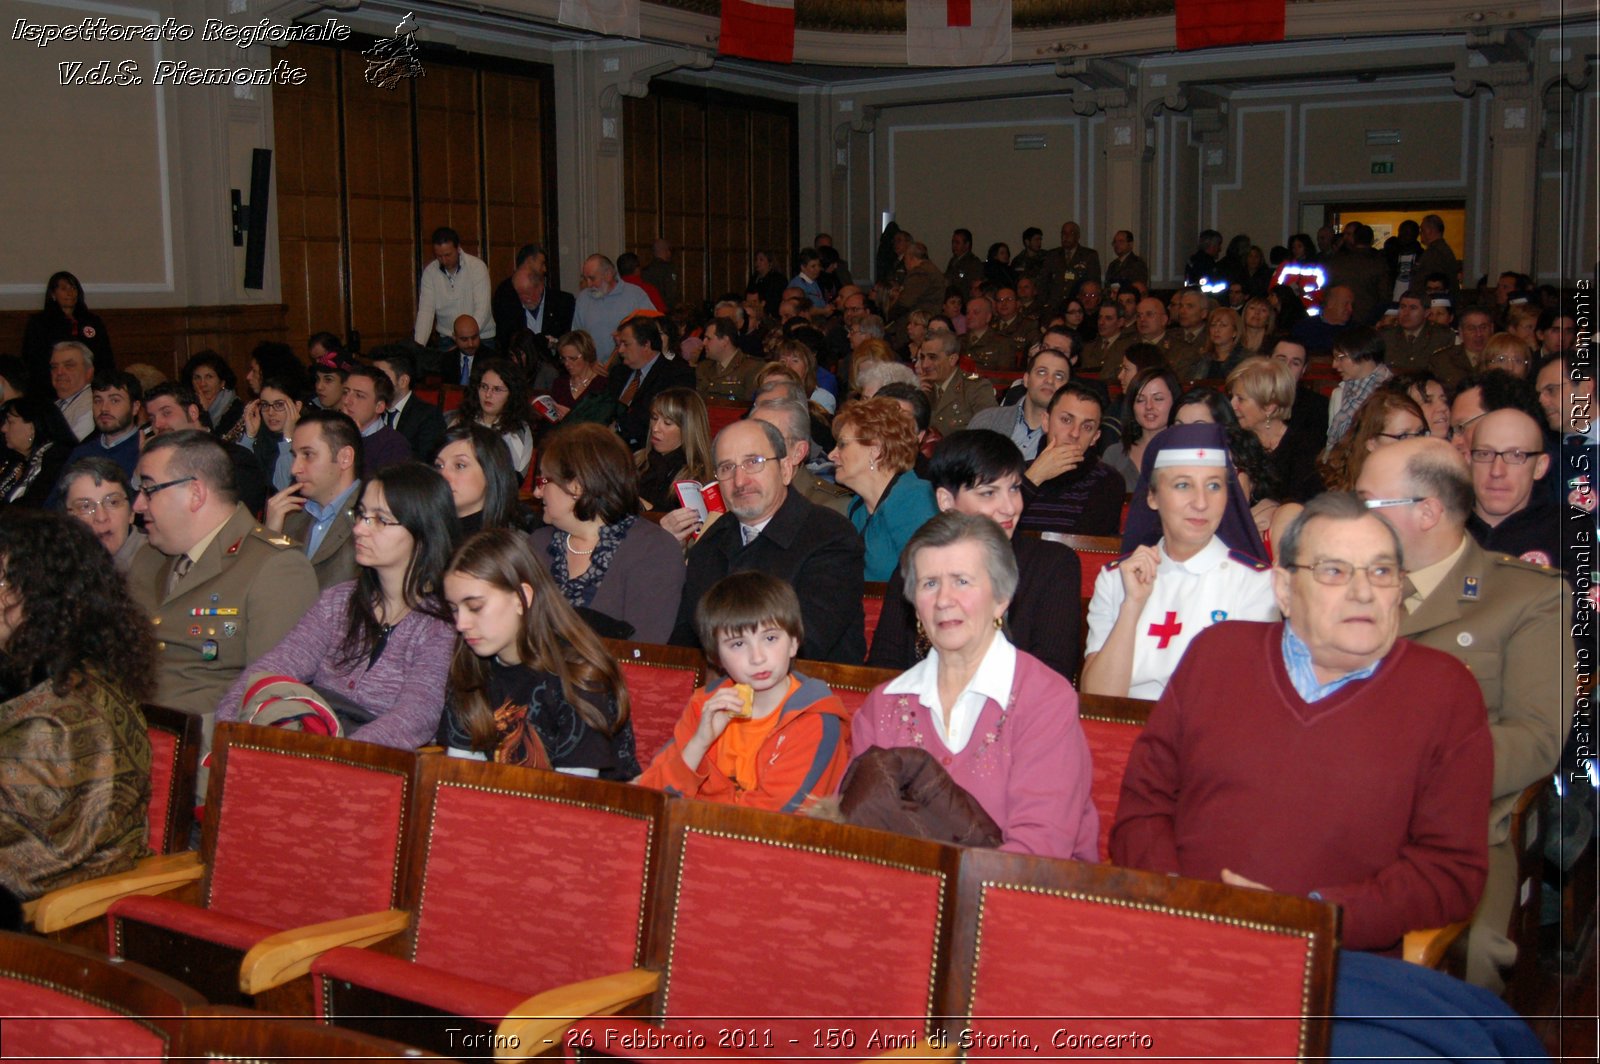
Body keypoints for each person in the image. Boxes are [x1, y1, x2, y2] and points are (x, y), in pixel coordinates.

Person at [1111, 493, 1492, 952]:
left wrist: (1306, 917)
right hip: (1180, 934)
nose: (1363, 591)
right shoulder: (1218, 654)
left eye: (1382, 571)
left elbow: (1449, 873)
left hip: (1335, 960)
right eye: (1334, 571)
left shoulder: (1443, 691)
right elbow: (1143, 805)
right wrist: (1181, 896)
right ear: (1285, 590)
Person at [1355, 437, 1570, 986]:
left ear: (1426, 512)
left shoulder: (1527, 597)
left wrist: (1411, 772)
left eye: (1367, 503)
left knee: (1473, 954)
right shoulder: (1346, 585)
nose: (1354, 518)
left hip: (1464, 822)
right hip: (1339, 804)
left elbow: (1537, 737)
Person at [851, 512, 1098, 859]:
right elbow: (859, 839)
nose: (944, 600)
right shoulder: (883, 707)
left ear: (1001, 596)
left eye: (962, 581)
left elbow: (1041, 849)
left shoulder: (1045, 700)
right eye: (929, 583)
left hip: (1024, 901)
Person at [217, 463, 459, 748]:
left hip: (377, 766)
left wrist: (332, 756)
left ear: (423, 530)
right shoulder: (338, 602)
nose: (359, 529)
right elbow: (276, 666)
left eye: (380, 520)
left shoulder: (441, 625)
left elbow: (415, 718)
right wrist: (229, 723)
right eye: (360, 515)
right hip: (315, 748)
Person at [127, 430, 320, 785]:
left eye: (149, 489)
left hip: (198, 761)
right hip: (128, 739)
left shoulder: (273, 566)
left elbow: (270, 703)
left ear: (195, 493)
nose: (137, 505)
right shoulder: (149, 559)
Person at [0, 510, 152, 900]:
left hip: (59, 912)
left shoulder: (64, 709)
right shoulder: (43, 672)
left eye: (5, 580)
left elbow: (32, 849)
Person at [1083, 424, 1278, 700]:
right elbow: (1099, 701)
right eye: (1183, 485)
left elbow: (1248, 699)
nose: (1201, 502)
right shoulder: (1116, 578)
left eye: (1214, 485)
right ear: (1152, 497)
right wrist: (1132, 605)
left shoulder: (1256, 584)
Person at [869, 431, 1082, 681]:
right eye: (989, 493)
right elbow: (884, 667)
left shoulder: (1053, 564)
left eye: (1014, 488)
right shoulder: (919, 564)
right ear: (946, 500)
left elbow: (1051, 675)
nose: (1010, 507)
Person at [637, 571, 852, 809]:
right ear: (717, 657)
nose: (757, 657)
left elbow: (770, 823)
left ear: (793, 643)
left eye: (770, 639)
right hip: (695, 837)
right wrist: (700, 742)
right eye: (738, 644)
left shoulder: (815, 721)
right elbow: (649, 801)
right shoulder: (706, 705)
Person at [441, 528, 639, 779]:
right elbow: (461, 778)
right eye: (454, 609)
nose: (461, 624)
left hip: (586, 809)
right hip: (500, 806)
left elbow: (573, 795)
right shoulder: (469, 665)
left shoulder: (579, 676)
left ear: (521, 598)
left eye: (475, 607)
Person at [672, 419, 865, 664]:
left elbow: (806, 644)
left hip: (805, 693)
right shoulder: (712, 541)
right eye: (727, 468)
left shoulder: (831, 536)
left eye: (753, 462)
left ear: (785, 469)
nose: (740, 481)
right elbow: (685, 639)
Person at [531, 423, 686, 643]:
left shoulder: (653, 550)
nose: (537, 492)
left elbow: (643, 652)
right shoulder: (538, 544)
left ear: (577, 486)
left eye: (544, 481)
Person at [830, 397, 938, 582]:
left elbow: (926, 581)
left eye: (842, 444)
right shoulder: (857, 507)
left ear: (875, 450)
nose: (832, 455)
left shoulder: (915, 500)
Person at [266, 408, 363, 590]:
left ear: (345, 458)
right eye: (295, 456)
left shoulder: (372, 516)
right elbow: (266, 590)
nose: (294, 469)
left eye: (308, 455)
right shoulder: (288, 515)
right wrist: (271, 537)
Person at [140, 384, 269, 516]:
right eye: (152, 418)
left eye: (166, 413)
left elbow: (239, 517)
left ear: (193, 412)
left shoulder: (235, 458)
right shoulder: (160, 463)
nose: (157, 424)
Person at [1016, 382, 1125, 537]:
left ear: (1095, 437)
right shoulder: (1014, 474)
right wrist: (1033, 477)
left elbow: (1082, 546)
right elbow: (990, 533)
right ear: (1046, 422)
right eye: (1066, 420)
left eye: (1087, 427)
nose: (1075, 433)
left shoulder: (1108, 481)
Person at [1465, 408, 1559, 566]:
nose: (1496, 471)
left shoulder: (1567, 532)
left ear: (1539, 467)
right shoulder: (1442, 528)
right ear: (1469, 461)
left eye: (1516, 456)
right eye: (1484, 454)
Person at [1226, 356, 1325, 503]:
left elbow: (1305, 503)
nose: (1231, 404)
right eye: (1232, 396)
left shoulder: (1303, 447)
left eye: (1240, 399)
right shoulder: (1230, 440)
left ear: (1269, 407)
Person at [967, 339, 1072, 461]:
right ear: (1026, 380)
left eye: (1059, 376)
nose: (1049, 380)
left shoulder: (1071, 436)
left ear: (1067, 388)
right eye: (1041, 372)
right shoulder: (987, 421)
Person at [606, 316, 697, 451]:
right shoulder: (619, 372)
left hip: (647, 449)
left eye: (626, 344)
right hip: (609, 446)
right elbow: (605, 407)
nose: (620, 350)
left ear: (646, 344)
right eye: (619, 345)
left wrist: (619, 427)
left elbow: (666, 417)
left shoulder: (676, 374)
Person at [433, 423, 533, 537]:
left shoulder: (507, 545)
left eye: (460, 465)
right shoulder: (423, 529)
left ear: (490, 472)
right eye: (439, 466)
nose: (443, 475)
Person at [22, 272, 113, 396]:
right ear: (53, 294)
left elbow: (105, 356)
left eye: (73, 288)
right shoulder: (40, 323)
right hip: (50, 388)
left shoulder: (92, 321)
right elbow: (33, 360)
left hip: (90, 385)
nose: (70, 293)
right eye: (64, 288)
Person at [1320, 388, 1429, 491]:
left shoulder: (1430, 483)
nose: (1416, 444)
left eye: (1420, 433)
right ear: (1371, 442)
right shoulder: (1348, 498)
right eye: (1403, 436)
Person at [636, 387, 715, 518]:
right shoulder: (638, 460)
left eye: (667, 423)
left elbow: (686, 530)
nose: (655, 428)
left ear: (688, 430)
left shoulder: (695, 478)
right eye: (654, 418)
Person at [414, 226, 494, 353]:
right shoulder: (430, 273)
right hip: (447, 339)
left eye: (448, 255)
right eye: (439, 256)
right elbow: (426, 312)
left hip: (481, 337)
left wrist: (465, 339)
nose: (444, 260)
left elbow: (482, 309)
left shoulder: (477, 267)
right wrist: (418, 347)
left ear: (458, 248)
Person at [452, 357, 536, 476]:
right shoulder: (459, 419)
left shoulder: (517, 430)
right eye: (484, 387)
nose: (488, 394)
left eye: (497, 390)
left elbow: (514, 477)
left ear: (512, 394)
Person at [60, 457, 146, 572]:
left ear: (131, 512)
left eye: (113, 502)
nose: (101, 517)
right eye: (85, 506)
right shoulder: (57, 562)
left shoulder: (158, 566)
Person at [1101, 365, 1179, 490]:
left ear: (1175, 402)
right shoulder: (1114, 454)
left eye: (1158, 398)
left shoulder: (1186, 452)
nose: (1149, 406)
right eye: (1140, 400)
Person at [369, 347, 446, 463]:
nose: (374, 383)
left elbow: (427, 461)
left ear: (403, 381)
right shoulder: (370, 410)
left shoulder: (428, 415)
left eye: (381, 377)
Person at [1325, 326, 1393, 455]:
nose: (1334, 365)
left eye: (1340, 357)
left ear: (1363, 355)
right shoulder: (1340, 392)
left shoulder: (1391, 392)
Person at [0, 396, 76, 507]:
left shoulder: (57, 459)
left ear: (32, 427)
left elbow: (33, 505)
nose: (3, 429)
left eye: (10, 422)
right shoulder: (16, 462)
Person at [340, 364, 413, 476]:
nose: (347, 401)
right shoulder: (332, 434)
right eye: (345, 392)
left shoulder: (394, 446)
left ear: (379, 406)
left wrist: (354, 441)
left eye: (359, 395)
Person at [181, 351, 244, 442]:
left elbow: (215, 446)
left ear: (222, 382)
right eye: (197, 378)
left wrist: (204, 412)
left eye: (209, 377)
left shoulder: (236, 409)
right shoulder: (187, 406)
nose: (202, 384)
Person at [1181, 307, 1247, 384]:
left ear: (1235, 332)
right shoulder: (1200, 359)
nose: (1216, 330)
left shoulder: (1245, 361)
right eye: (1213, 325)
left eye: (1223, 325)